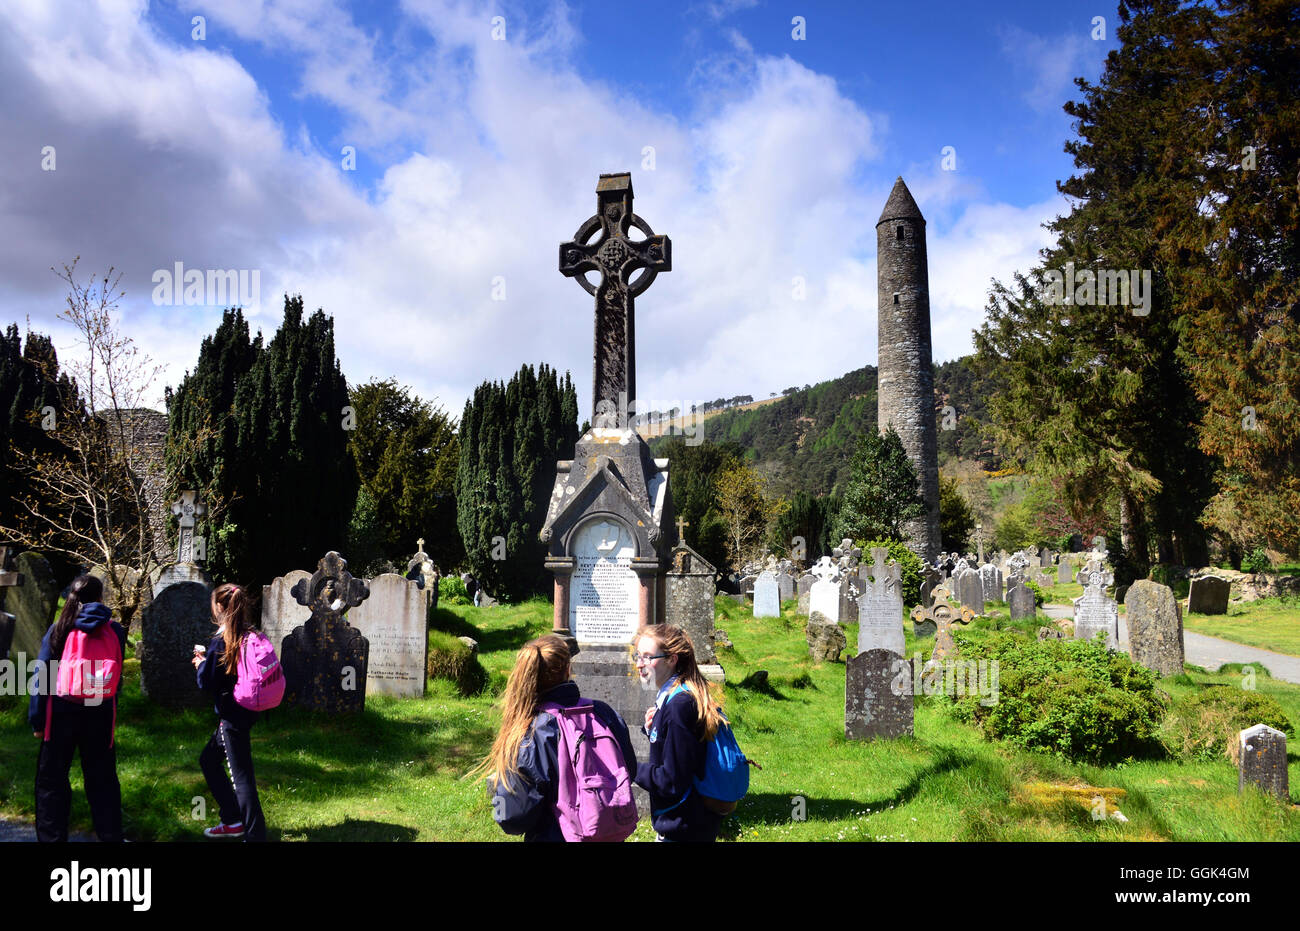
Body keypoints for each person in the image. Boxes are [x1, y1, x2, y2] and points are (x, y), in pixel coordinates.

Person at [479, 634, 637, 841]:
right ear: (567, 669)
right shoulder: (603, 713)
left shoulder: (530, 730)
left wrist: (498, 807)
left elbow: (513, 816)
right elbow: (628, 771)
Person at [29, 574, 127, 843]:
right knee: (103, 781)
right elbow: (116, 677)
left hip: (62, 710)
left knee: (51, 781)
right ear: (99, 597)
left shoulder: (59, 629)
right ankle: (111, 836)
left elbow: (43, 676)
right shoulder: (115, 630)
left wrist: (37, 720)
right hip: (100, 709)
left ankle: (52, 838)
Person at [633, 623, 727, 842]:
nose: (639, 664)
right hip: (690, 824)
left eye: (648, 657)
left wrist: (630, 766)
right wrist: (653, 730)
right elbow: (685, 752)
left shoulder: (679, 705)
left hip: (684, 828)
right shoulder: (680, 695)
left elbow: (671, 781)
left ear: (671, 659)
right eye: (638, 655)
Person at [193, 583, 266, 841]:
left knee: (241, 777)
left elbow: (208, 681)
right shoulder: (249, 633)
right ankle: (233, 819)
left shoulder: (221, 640)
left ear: (221, 607)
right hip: (247, 709)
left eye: (214, 604)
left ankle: (255, 835)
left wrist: (201, 663)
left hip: (232, 715)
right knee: (209, 760)